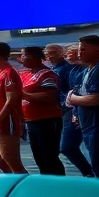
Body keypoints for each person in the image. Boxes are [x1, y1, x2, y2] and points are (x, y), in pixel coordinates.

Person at [67, 35, 99, 180]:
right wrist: (76, 112)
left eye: (84, 50)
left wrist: (73, 99)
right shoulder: (88, 70)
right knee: (98, 167)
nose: (80, 53)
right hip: (90, 127)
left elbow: (95, 99)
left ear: (98, 50)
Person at [49, 43, 95, 177]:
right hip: (71, 112)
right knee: (68, 147)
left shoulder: (85, 70)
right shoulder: (73, 70)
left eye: (76, 51)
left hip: (81, 112)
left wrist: (72, 106)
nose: (70, 54)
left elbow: (84, 94)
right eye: (69, 52)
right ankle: (90, 173)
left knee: (81, 146)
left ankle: (94, 174)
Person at [18, 46, 65, 176]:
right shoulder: (26, 74)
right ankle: (46, 185)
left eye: (24, 55)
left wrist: (24, 95)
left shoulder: (47, 74)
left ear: (34, 57)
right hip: (31, 121)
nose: (21, 58)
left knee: (50, 156)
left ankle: (59, 186)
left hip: (47, 120)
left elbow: (50, 96)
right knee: (39, 157)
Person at [0, 42, 27, 174]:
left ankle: (26, 187)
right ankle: (11, 184)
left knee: (11, 160)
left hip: (6, 124)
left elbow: (11, 100)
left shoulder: (10, 73)